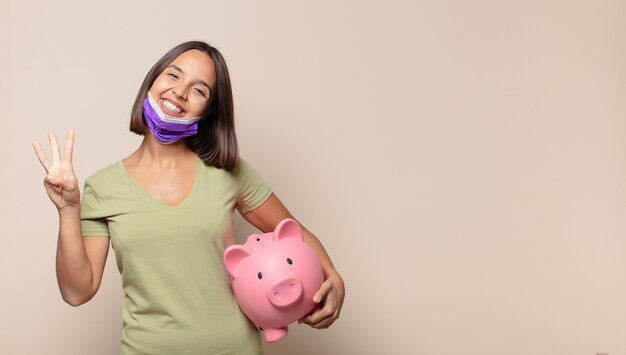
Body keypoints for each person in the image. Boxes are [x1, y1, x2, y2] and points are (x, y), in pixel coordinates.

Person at [32, 41, 345, 354]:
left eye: (199, 90)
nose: (180, 92)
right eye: (173, 76)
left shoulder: (228, 171)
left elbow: (295, 233)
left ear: (208, 111)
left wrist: (333, 277)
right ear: (152, 81)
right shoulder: (104, 187)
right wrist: (69, 210)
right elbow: (77, 291)